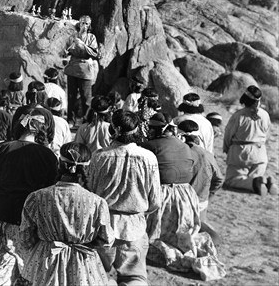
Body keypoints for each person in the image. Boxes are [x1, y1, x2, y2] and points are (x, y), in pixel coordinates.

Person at [0, 110, 58, 285]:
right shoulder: (48, 155)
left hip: (3, 208)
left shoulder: (3, 147)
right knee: (23, 256)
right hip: (31, 215)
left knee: (1, 254)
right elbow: (50, 188)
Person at [19, 143, 115, 286]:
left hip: (44, 262)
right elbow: (106, 240)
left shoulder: (36, 197)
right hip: (83, 266)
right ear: (87, 168)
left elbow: (25, 238)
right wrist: (84, 242)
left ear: (59, 164)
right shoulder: (97, 203)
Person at [88, 111, 161, 286]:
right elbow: (155, 201)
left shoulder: (99, 157)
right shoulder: (148, 158)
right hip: (134, 228)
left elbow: (90, 193)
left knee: (98, 277)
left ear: (113, 129)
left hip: (102, 228)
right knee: (135, 278)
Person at [142, 114, 198, 252]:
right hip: (186, 196)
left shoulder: (150, 146)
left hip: (163, 195)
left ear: (157, 130)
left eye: (151, 129)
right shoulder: (184, 146)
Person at [223, 86, 276, 196]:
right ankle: (266, 183)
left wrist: (227, 149)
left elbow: (228, 135)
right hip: (260, 155)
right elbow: (267, 134)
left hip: (241, 154)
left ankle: (257, 182)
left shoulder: (238, 116)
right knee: (253, 177)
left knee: (231, 180)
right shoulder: (265, 115)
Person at [178, 120, 224, 241]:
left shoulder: (179, 154)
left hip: (181, 203)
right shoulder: (207, 155)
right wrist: (209, 195)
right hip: (201, 202)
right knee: (198, 232)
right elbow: (219, 179)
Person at [63, 15, 100, 124]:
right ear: (79, 24)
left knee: (86, 97)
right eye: (82, 22)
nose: (84, 25)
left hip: (85, 70)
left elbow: (95, 53)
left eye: (86, 23)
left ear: (89, 26)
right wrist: (66, 51)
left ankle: (86, 120)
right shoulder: (72, 36)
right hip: (73, 67)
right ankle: (70, 119)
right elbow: (65, 50)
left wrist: (83, 45)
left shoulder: (91, 37)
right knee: (71, 96)